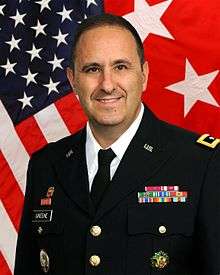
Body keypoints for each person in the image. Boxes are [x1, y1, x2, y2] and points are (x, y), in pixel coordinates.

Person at [14, 13, 220, 275]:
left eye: (120, 67)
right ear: (72, 80)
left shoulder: (201, 163)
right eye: (92, 69)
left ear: (143, 74)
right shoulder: (46, 165)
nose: (107, 84)